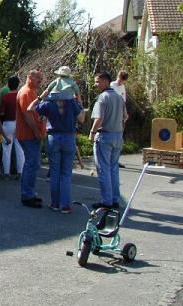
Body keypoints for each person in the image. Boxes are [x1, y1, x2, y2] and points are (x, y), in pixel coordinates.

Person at [28, 93, 85, 213]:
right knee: (66, 173)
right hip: (69, 137)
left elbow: (30, 108)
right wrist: (79, 101)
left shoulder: (49, 103)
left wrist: (41, 96)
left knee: (54, 172)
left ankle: (55, 203)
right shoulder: (71, 102)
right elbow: (82, 119)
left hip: (53, 137)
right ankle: (65, 205)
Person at [89, 72, 127, 209]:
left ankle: (106, 201)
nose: (95, 84)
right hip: (117, 136)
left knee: (103, 169)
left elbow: (99, 118)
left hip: (104, 136)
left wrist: (92, 133)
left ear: (106, 82)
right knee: (113, 168)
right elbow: (125, 118)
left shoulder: (103, 97)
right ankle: (115, 199)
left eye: (97, 81)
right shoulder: (119, 97)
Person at [16, 70, 46, 208]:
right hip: (28, 135)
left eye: (41, 78)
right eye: (37, 78)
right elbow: (27, 115)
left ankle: (30, 193)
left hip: (32, 134)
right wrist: (35, 131)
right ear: (29, 77)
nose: (40, 80)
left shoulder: (32, 92)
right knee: (32, 163)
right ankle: (27, 195)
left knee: (33, 164)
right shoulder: (26, 93)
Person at [0, 75, 24, 179]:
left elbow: (1, 112)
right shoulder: (20, 96)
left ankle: (6, 172)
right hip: (19, 123)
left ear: (8, 85)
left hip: (8, 123)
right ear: (18, 85)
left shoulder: (5, 97)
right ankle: (20, 172)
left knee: (6, 149)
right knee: (20, 149)